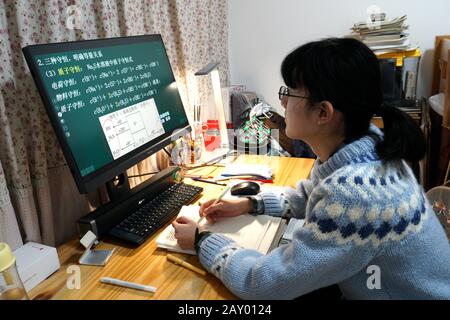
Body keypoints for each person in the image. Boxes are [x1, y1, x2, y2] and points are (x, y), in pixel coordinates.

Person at [172, 38, 450, 299]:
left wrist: (201, 240)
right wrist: (249, 203)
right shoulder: (364, 144)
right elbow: (312, 195)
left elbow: (263, 283)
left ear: (323, 113)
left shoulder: (355, 193)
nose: (282, 102)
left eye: (290, 93)